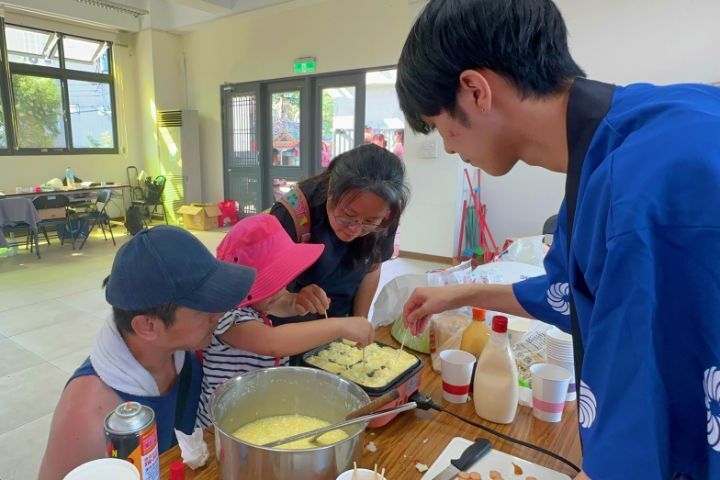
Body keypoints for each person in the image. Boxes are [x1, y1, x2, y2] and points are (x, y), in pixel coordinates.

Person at [396, 1, 720, 479]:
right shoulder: (613, 149)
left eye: (445, 128)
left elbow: (651, 405)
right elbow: (571, 294)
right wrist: (457, 294)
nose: (449, 148)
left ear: (475, 91)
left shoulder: (645, 186)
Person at [38, 226, 255, 480]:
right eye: (203, 310)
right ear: (148, 326)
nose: (219, 315)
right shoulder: (89, 418)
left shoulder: (182, 352)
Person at [195, 214, 375, 428]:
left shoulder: (252, 304)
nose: (281, 290)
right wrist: (340, 325)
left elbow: (275, 303)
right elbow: (272, 343)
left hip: (259, 414)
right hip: (222, 426)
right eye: (271, 282)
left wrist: (297, 302)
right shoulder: (224, 316)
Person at [268, 144, 408, 328]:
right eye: (348, 216)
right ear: (331, 190)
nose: (356, 230)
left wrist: (359, 320)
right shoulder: (292, 214)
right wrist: (294, 300)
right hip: (291, 329)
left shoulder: (385, 215)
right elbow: (267, 297)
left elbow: (372, 268)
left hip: (343, 320)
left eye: (370, 221)